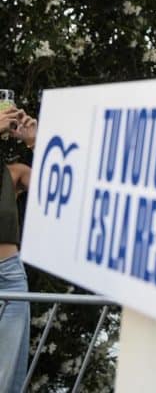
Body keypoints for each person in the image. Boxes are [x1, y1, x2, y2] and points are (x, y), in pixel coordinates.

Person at [0, 107, 37, 393]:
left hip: (10, 276)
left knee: (6, 376)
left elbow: (60, 188)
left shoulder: (13, 173)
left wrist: (35, 142)